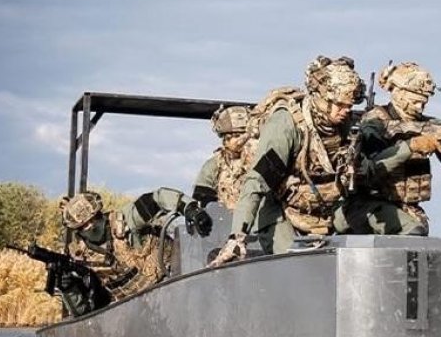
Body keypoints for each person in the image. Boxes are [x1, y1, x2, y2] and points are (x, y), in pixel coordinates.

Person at [210, 56, 366, 265]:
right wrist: (237, 237)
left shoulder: (342, 125)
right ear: (320, 96)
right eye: (339, 104)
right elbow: (256, 182)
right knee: (296, 266)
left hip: (324, 208)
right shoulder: (287, 125)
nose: (345, 110)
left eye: (350, 105)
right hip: (279, 209)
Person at [334, 61, 441, 236]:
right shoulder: (373, 123)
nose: (420, 107)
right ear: (398, 93)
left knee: (417, 231)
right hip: (367, 203)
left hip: (405, 206)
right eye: (415, 101)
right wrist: (413, 146)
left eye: (424, 102)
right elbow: (371, 168)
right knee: (411, 231)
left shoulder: (431, 126)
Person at [58, 188, 211, 314]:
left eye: (94, 220)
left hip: (171, 281)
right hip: (135, 310)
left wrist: (190, 208)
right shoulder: (80, 258)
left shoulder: (125, 220)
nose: (90, 227)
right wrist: (68, 288)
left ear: (99, 214)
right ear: (77, 230)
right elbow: (85, 311)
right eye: (84, 226)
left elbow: (158, 199)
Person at [191, 104, 252, 210]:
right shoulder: (214, 166)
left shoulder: (261, 162)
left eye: (241, 136)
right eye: (232, 137)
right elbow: (202, 203)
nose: (238, 141)